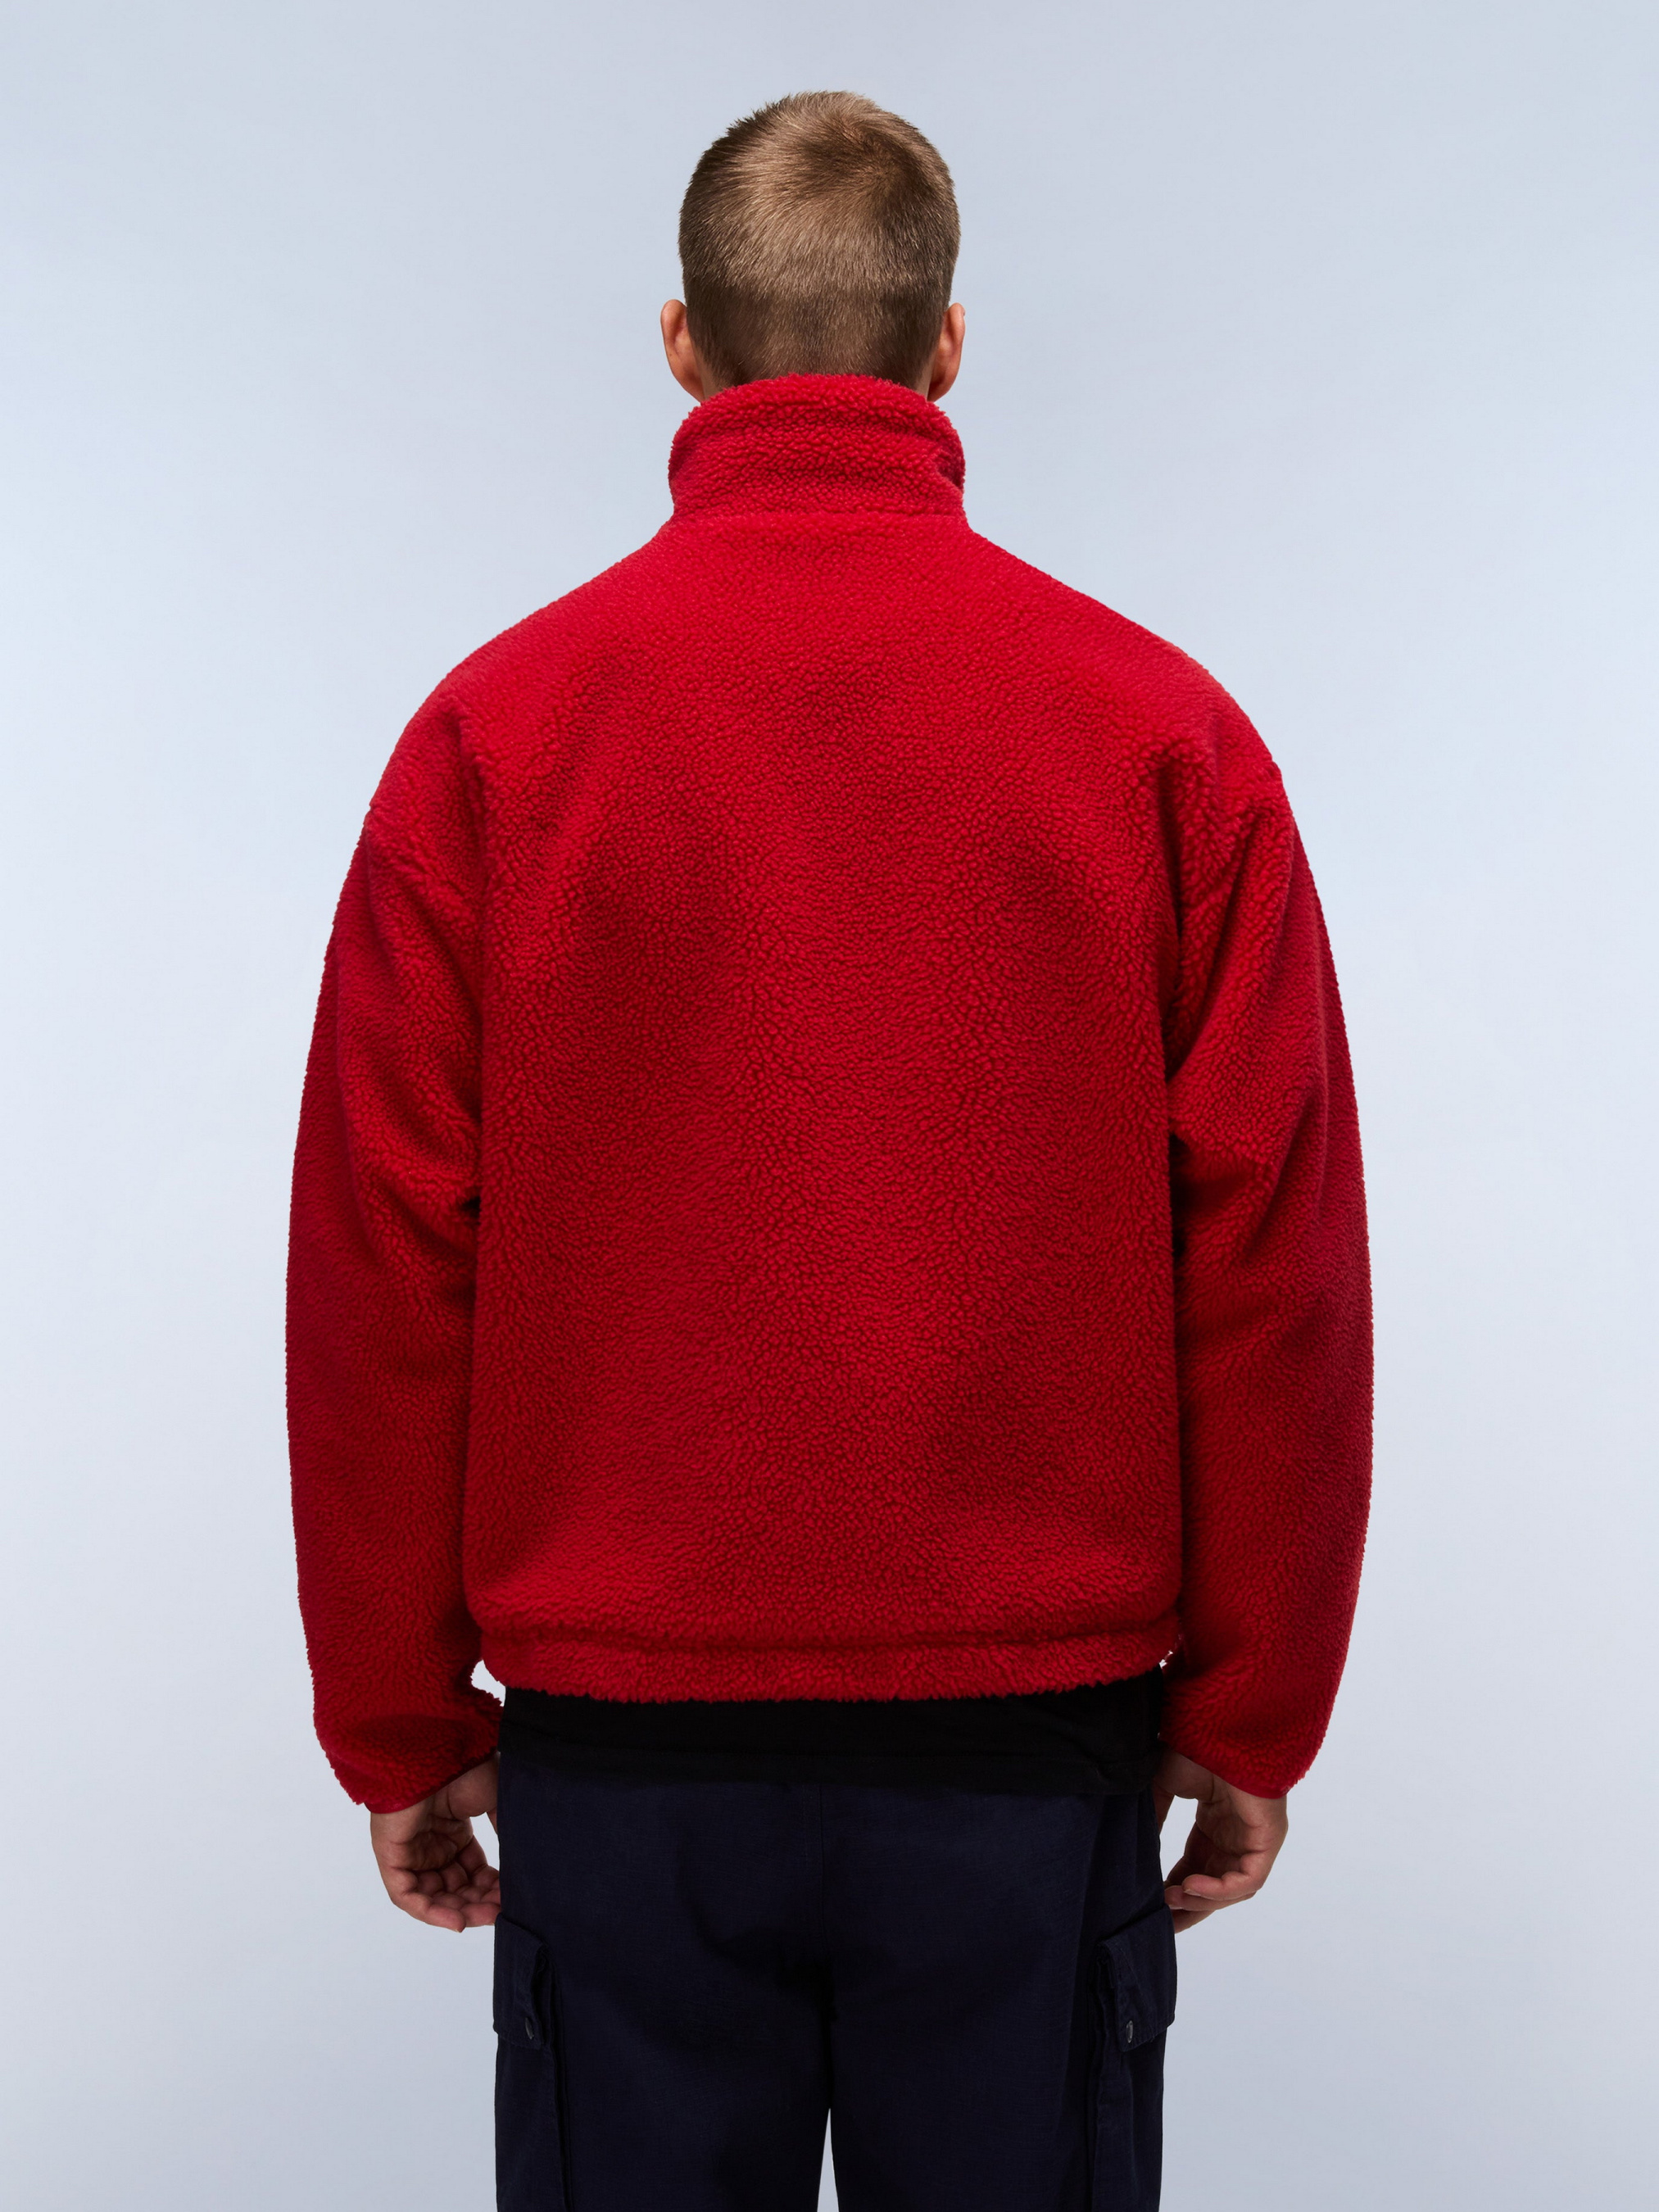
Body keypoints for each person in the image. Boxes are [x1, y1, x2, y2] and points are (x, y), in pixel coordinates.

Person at [287, 89, 1372, 2212]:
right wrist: (1255, 1703)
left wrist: (395, 1716)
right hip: (1027, 1742)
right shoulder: (1157, 734)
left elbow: (385, 1248)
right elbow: (1271, 1252)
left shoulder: (498, 736)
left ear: (682, 347)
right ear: (944, 346)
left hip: (625, 1746)